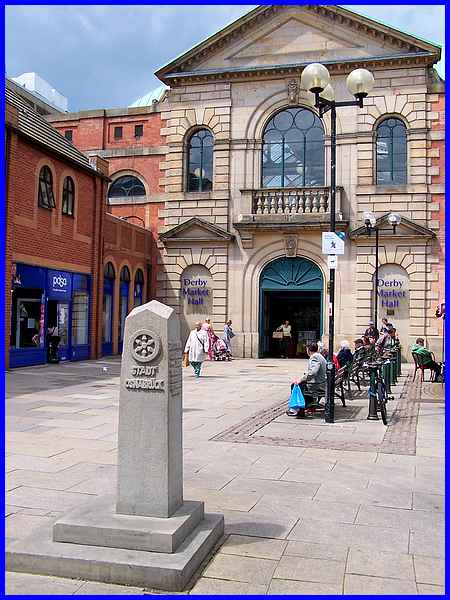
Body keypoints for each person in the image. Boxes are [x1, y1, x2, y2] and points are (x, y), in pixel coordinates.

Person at [287, 342, 327, 418]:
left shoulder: (314, 357)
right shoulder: (319, 356)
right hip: (322, 382)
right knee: (301, 384)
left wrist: (301, 379)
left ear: (308, 350)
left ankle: (298, 410)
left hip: (318, 385)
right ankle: (307, 405)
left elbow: (313, 372)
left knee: (296, 385)